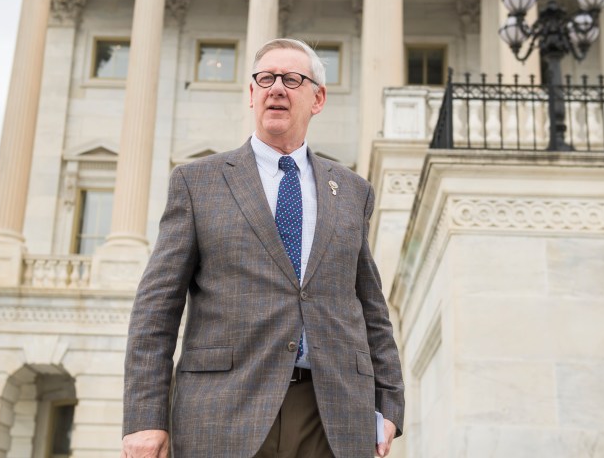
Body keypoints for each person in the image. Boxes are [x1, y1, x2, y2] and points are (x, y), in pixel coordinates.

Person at [121, 38, 404, 458]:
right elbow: (156, 306)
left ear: (318, 98)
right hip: (223, 408)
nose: (277, 88)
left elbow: (371, 307)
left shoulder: (352, 191)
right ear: (251, 94)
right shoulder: (197, 182)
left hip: (333, 414)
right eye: (266, 78)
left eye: (292, 79)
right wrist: (146, 417)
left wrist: (389, 401)